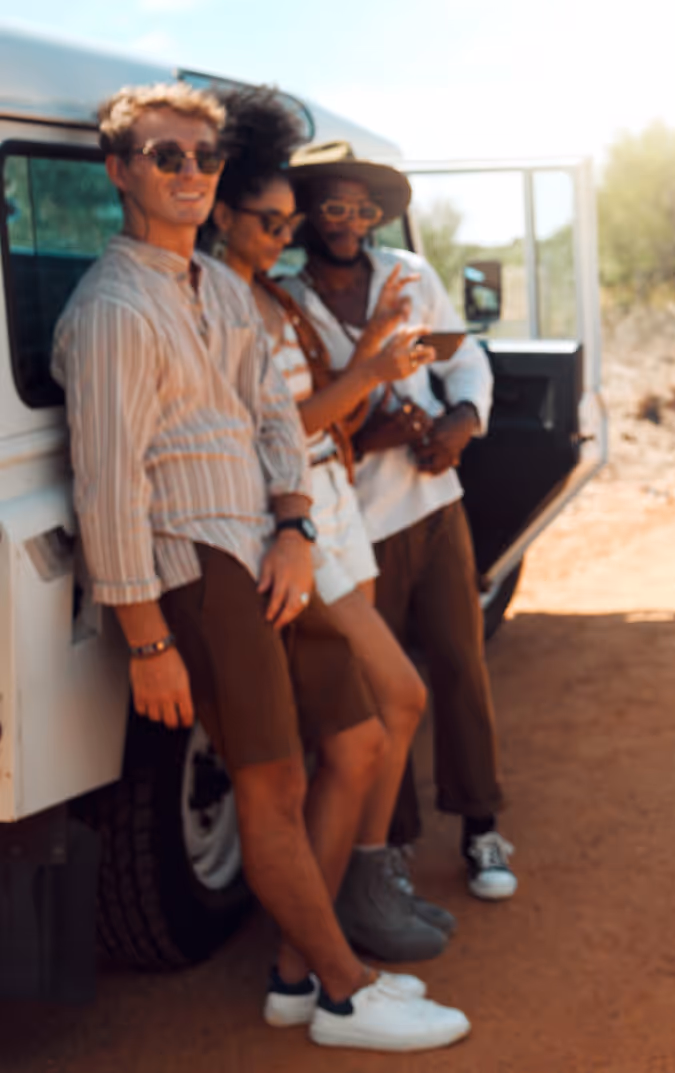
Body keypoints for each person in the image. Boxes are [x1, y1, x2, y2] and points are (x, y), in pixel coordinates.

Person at [53, 82, 469, 1052]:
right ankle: (340, 990)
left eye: (202, 158)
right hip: (195, 560)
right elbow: (109, 487)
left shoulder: (222, 286)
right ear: (121, 173)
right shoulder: (112, 308)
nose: (190, 174)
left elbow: (276, 420)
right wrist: (147, 636)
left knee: (351, 736)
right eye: (167, 157)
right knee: (271, 785)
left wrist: (292, 523)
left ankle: (300, 981)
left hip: (267, 553)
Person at [205, 87, 459, 961]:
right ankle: (327, 931)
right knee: (392, 705)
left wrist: (377, 353)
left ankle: (349, 903)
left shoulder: (264, 297)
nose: (285, 234)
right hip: (293, 518)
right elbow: (278, 429)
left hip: (326, 506)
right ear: (224, 215)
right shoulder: (222, 303)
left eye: (288, 220)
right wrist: (371, 368)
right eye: (270, 220)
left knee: (377, 718)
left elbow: (312, 412)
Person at [278, 142, 516, 901]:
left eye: (363, 209)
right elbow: (288, 423)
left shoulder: (410, 277)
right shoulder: (285, 303)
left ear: (378, 216)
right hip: (354, 522)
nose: (349, 223)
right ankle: (394, 848)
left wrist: (462, 419)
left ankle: (481, 825)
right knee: (383, 690)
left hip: (433, 507)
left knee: (458, 660)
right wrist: (364, 429)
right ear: (306, 214)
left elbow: (464, 357)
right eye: (332, 207)